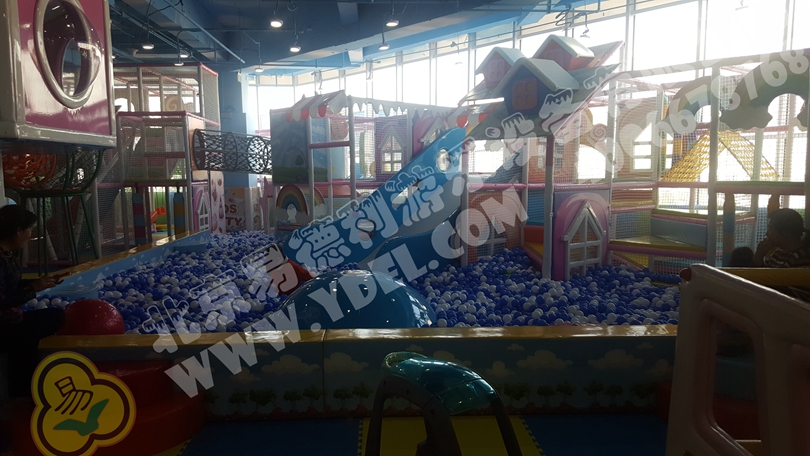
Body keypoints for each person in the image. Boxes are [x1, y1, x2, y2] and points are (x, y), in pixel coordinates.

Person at [0, 205, 66, 398]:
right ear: (18, 231)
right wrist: (33, 288)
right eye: (29, 229)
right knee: (47, 323)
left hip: (9, 319)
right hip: (3, 326)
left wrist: (39, 283)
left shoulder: (7, 255)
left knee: (52, 318)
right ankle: (22, 390)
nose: (30, 235)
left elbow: (10, 286)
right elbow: (2, 299)